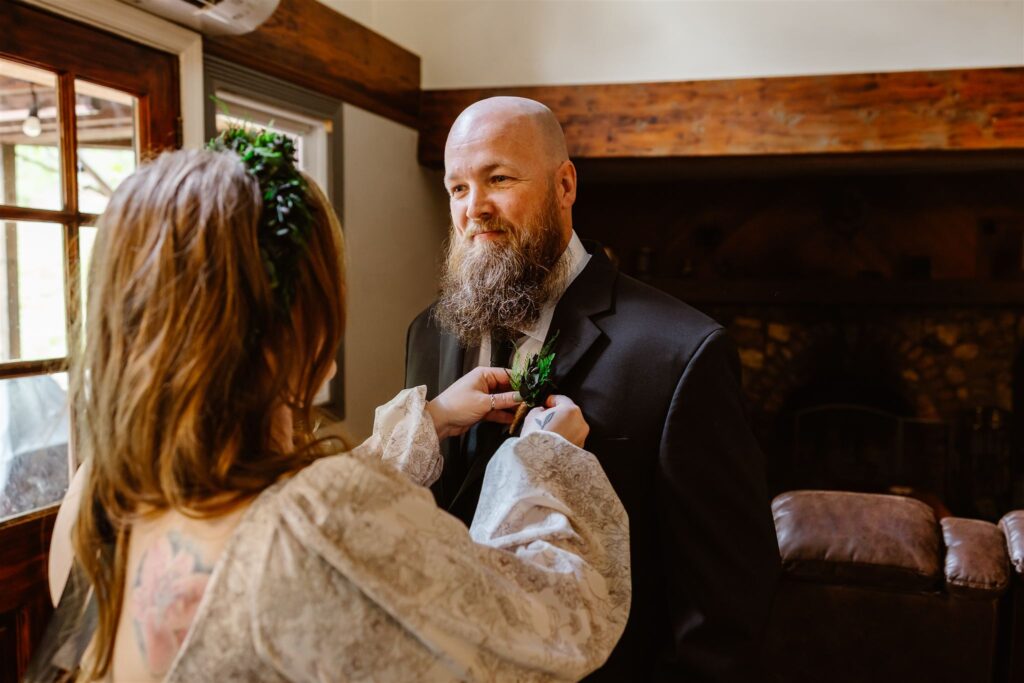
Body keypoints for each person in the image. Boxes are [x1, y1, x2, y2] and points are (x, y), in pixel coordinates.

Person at [33, 131, 630, 682]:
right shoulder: (319, 521)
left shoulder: (94, 498)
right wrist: (543, 465)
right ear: (297, 324)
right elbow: (546, 630)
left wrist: (429, 422)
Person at [406, 96, 781, 682]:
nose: (474, 208)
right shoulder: (426, 333)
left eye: (498, 178)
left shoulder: (682, 353)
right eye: (457, 189)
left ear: (565, 185)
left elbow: (723, 607)